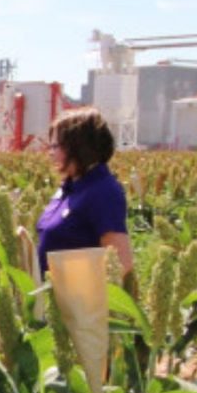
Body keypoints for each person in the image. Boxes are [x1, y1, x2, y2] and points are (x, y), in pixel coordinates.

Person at [34, 108, 135, 276]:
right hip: (53, 297)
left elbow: (119, 264)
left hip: (79, 300)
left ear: (78, 147)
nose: (50, 153)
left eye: (55, 146)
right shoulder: (69, 187)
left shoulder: (103, 192)